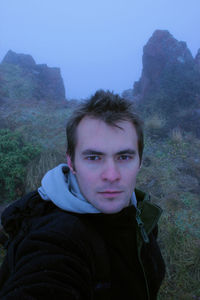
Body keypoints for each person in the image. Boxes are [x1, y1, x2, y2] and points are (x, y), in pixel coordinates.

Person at [0, 90, 165, 299]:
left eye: (124, 156)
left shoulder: (138, 211)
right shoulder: (56, 239)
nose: (112, 176)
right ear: (72, 163)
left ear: (140, 161)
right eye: (94, 157)